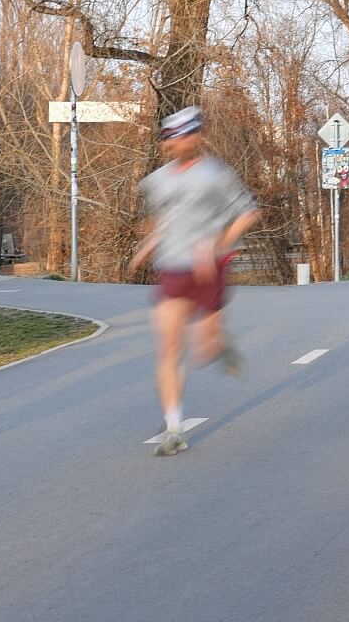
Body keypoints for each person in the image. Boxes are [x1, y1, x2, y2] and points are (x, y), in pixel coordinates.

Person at [127, 106, 259, 456]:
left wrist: (217, 245)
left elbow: (248, 214)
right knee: (169, 348)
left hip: (208, 268)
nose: (177, 142)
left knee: (205, 349)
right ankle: (174, 427)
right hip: (172, 268)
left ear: (197, 137)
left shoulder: (216, 175)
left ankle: (220, 345)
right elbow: (163, 220)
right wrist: (146, 246)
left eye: (185, 134)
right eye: (171, 136)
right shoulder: (156, 182)